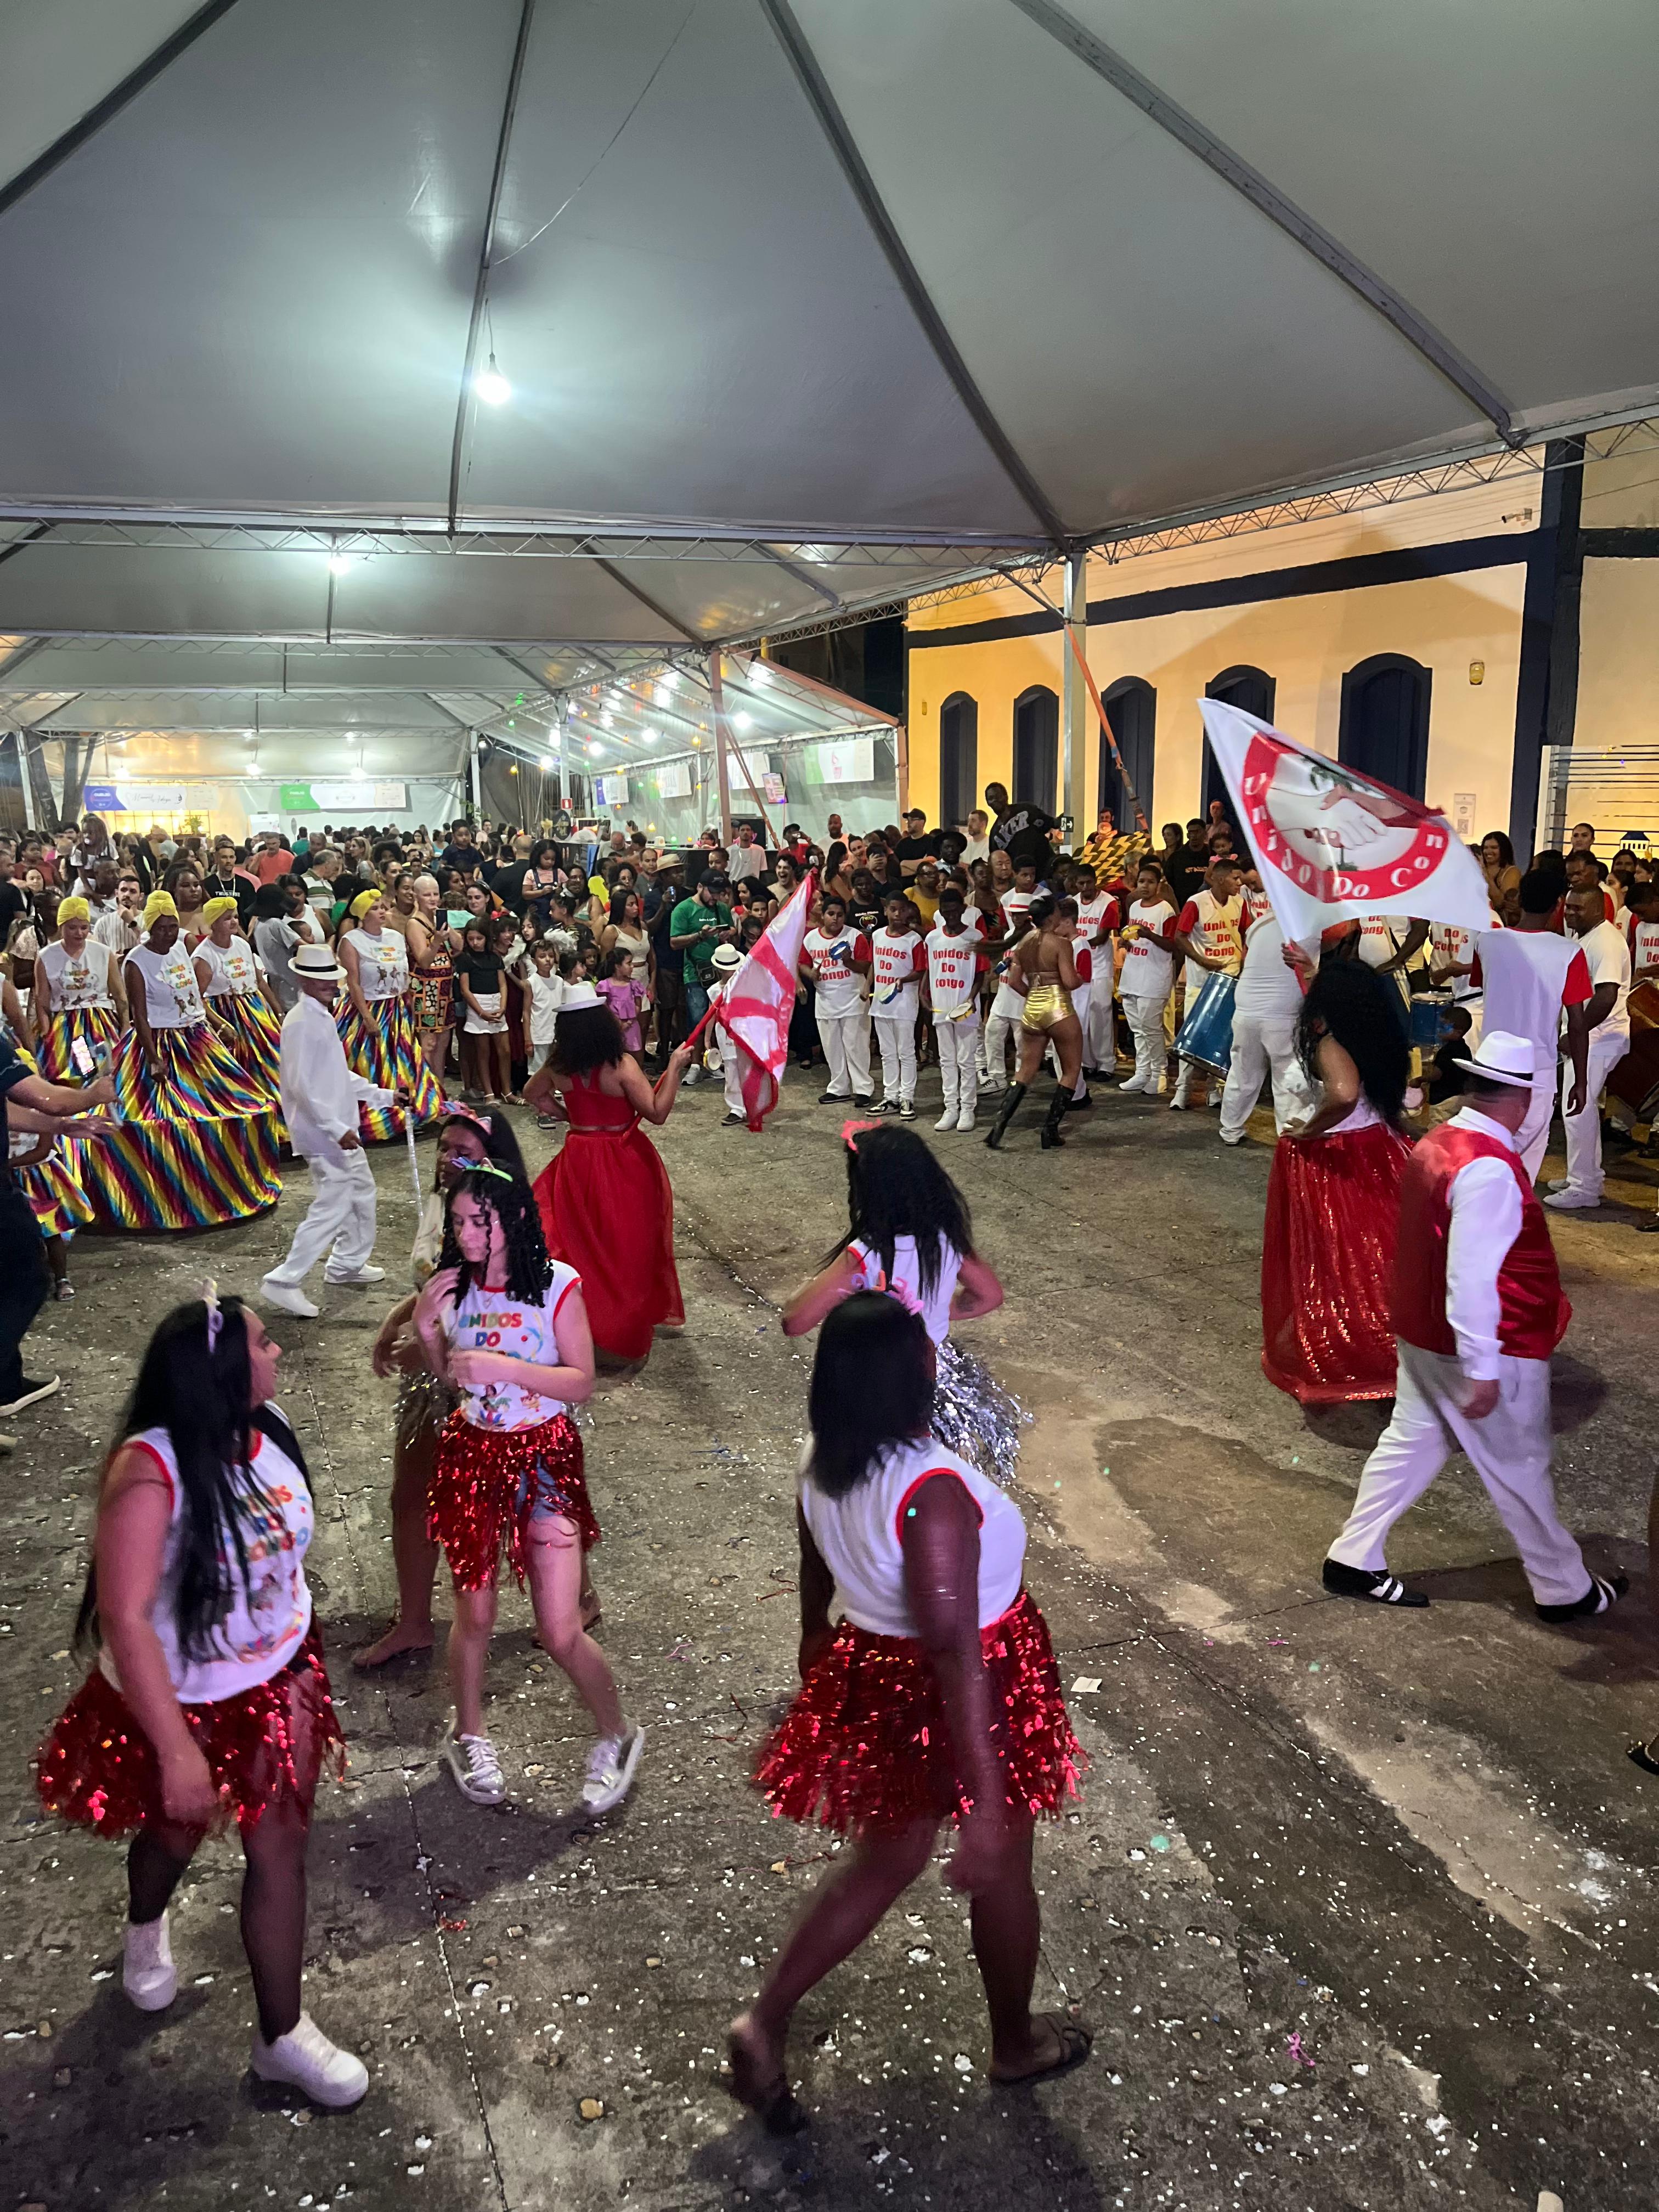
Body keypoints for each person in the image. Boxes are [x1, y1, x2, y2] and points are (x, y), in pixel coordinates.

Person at [732, 1293, 1087, 2130]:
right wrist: (988, 1800)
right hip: (971, 1685)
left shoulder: (825, 1455)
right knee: (1003, 1872)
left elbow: (813, 1558)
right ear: (922, 1371)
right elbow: (955, 1648)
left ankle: (764, 2022)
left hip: (877, 1670)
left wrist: (813, 1638)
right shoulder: (933, 1494)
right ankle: (1014, 2044)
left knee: (885, 1862)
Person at [33, 1295, 365, 2107]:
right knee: (174, 1829)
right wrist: (179, 1748)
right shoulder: (148, 1470)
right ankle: (145, 1925)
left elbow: (284, 1561)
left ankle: (281, 2036)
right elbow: (125, 1615)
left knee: (281, 1849)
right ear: (220, 1370)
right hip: (177, 1702)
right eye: (264, 1342)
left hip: (275, 1680)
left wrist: (295, 1660)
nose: (279, 1351)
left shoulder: (272, 1430)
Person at [1322, 1031, 1628, 1621]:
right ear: (1522, 1099)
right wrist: (1484, 1367)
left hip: (1424, 1336)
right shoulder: (1488, 1169)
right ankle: (1563, 1587)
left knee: (1412, 1443)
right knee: (1519, 1465)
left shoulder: (1440, 1142)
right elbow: (1472, 1276)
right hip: (1487, 1343)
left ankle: (1354, 1555)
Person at [415, 1168, 644, 1810]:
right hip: (471, 1456)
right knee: (475, 1615)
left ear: (513, 1220)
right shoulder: (451, 1288)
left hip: (543, 1457)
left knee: (560, 1627)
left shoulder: (556, 1284)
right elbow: (449, 1380)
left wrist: (507, 1367)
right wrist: (429, 1331)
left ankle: (616, 1734)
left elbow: (581, 1381)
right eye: (457, 1221)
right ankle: (469, 1733)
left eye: (477, 1221)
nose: (465, 1234)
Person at [783, 1119, 1022, 1478]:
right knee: (933, 1468)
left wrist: (811, 1285)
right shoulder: (947, 1239)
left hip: (880, 1382)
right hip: (937, 1377)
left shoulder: (863, 1256)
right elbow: (989, 1295)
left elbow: (794, 1321)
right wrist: (934, 1311)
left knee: (881, 1477)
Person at [1260, 962, 1414, 1404]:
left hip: (1340, 1157)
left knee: (1345, 1264)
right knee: (1386, 1255)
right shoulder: (1374, 1033)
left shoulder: (1331, 1043)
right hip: (1380, 1147)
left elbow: (1344, 1094)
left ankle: (1362, 1353)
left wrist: (1309, 1130)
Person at [525, 986, 693, 1363]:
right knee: (623, 1244)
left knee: (580, 1241)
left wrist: (569, 1116)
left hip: (579, 1156)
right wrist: (676, 1070)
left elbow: (531, 1093)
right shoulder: (620, 1066)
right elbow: (656, 1112)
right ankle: (618, 1322)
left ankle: (578, 1323)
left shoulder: (558, 1066)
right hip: (622, 1157)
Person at [96, 894, 281, 1233]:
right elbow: (140, 1015)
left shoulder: (181, 948)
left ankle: (225, 1181)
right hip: (163, 1043)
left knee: (235, 1099)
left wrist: (213, 1028)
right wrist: (153, 1058)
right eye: (162, 928)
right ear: (150, 928)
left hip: (196, 1036)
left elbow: (193, 997)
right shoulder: (137, 961)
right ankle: (183, 1189)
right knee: (172, 1116)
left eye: (172, 927)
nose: (169, 933)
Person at [261, 943, 397, 1319]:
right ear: (303, 979)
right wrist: (336, 1128)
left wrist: (382, 1096)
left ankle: (346, 1263)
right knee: (333, 1205)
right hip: (324, 1133)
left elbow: (335, 1075)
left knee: (361, 1193)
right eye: (321, 980)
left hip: (335, 1128)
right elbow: (302, 1085)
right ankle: (285, 1279)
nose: (329, 985)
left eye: (331, 979)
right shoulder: (302, 1022)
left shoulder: (319, 1016)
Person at [1468, 868, 1593, 1181]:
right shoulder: (1569, 952)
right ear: (1559, 904)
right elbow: (1577, 1024)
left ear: (1519, 899)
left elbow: (1483, 988)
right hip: (1538, 1068)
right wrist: (1580, 1080)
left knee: (1489, 1148)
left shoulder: (1487, 941)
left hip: (1491, 1065)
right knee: (1525, 1161)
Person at [1540, 881, 1633, 1210]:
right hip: (1590, 1035)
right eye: (1568, 907)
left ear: (1598, 909)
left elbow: (1607, 995)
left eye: (1578, 908)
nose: (1570, 914)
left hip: (1601, 1035)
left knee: (1576, 1108)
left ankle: (1584, 1187)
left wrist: (1575, 1033)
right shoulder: (1586, 937)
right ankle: (1584, 1176)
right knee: (1581, 1107)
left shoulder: (1605, 941)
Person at [335, 888, 443, 1137]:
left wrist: (436, 941)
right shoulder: (352, 941)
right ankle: (377, 1112)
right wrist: (367, 1017)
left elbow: (414, 968)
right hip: (368, 1008)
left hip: (395, 1008)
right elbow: (354, 982)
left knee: (403, 1060)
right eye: (375, 908)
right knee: (369, 1061)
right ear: (363, 914)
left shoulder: (395, 937)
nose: (382, 911)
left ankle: (406, 1108)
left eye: (383, 906)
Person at [984, 894, 1084, 1150]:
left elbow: (1015, 982)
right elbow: (1071, 982)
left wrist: (1036, 997)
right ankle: (1050, 1130)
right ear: (1052, 917)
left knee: (1025, 1070)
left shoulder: (1023, 943)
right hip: (1059, 1008)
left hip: (1031, 1010)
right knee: (1071, 1070)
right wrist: (1080, 978)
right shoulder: (1062, 944)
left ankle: (999, 1126)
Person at [1218, 894, 1313, 1145]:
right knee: (1287, 1077)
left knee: (1242, 1074)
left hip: (1245, 1011)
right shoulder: (1309, 925)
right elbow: (1341, 933)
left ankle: (1230, 1130)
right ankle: (1288, 1138)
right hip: (1281, 1016)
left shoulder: (1258, 924)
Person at [1169, 855, 1244, 1109]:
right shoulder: (1196, 902)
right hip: (1202, 983)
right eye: (1235, 878)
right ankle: (1182, 1090)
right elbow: (1180, 937)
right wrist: (1203, 960)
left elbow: (1247, 934)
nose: (1239, 883)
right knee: (1193, 1036)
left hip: (1232, 979)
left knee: (1223, 1039)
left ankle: (1214, 1090)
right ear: (1220, 879)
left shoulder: (1240, 903)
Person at [191, 896, 283, 1094]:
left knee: (273, 1061)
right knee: (242, 1068)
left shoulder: (242, 945)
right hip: (228, 1014)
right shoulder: (204, 956)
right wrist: (220, 1024)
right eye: (227, 918)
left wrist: (278, 1012)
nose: (234, 921)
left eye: (234, 917)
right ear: (214, 923)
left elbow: (259, 981)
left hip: (254, 1012)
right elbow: (196, 999)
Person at [32, 894, 126, 1081]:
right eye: (72, 928)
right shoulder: (46, 956)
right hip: (67, 1026)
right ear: (61, 926)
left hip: (100, 1022)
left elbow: (120, 996)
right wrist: (46, 1030)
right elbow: (42, 1001)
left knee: (109, 1071)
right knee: (81, 1074)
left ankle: (105, 1107)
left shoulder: (103, 953)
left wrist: (124, 1028)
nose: (79, 933)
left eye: (84, 928)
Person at [923, 883, 986, 1132]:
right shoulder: (933, 938)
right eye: (945, 911)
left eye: (954, 911)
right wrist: (923, 993)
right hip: (941, 1004)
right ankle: (951, 1108)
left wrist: (971, 999)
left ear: (962, 909)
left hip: (965, 1007)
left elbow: (980, 973)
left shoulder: (974, 937)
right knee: (947, 1060)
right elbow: (929, 969)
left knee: (966, 1060)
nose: (950, 916)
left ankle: (968, 1108)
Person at [800, 893, 873, 1107]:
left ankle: (863, 1089)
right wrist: (810, 974)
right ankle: (838, 1088)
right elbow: (802, 963)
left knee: (856, 1046)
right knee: (832, 1047)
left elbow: (866, 966)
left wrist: (849, 961)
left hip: (853, 999)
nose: (835, 919)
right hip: (826, 1002)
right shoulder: (811, 939)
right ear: (822, 916)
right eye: (831, 914)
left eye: (840, 915)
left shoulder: (855, 937)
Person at [670, 870, 735, 1080]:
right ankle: (695, 1063)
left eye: (719, 893)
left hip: (722, 971)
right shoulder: (683, 909)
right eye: (712, 892)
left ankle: (716, 1059)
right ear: (700, 887)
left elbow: (732, 929)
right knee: (698, 1019)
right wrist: (700, 935)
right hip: (695, 972)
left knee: (721, 1019)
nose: (716, 897)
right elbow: (674, 942)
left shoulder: (722, 909)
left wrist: (729, 933)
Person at [870, 890, 924, 1120]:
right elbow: (874, 963)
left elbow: (920, 969)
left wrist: (903, 980)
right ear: (885, 910)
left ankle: (907, 1098)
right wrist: (867, 988)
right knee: (887, 1053)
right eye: (893, 909)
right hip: (881, 1004)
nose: (898, 914)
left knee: (906, 1052)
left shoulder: (914, 940)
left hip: (904, 1005)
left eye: (902, 909)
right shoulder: (877, 936)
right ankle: (890, 1096)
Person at [984, 782, 1056, 877]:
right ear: (988, 803)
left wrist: (1068, 819)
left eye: (998, 796)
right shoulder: (994, 834)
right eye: (991, 798)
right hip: (1021, 878)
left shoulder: (1026, 810)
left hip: (1045, 869)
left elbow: (1051, 823)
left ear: (1006, 797)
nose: (995, 800)